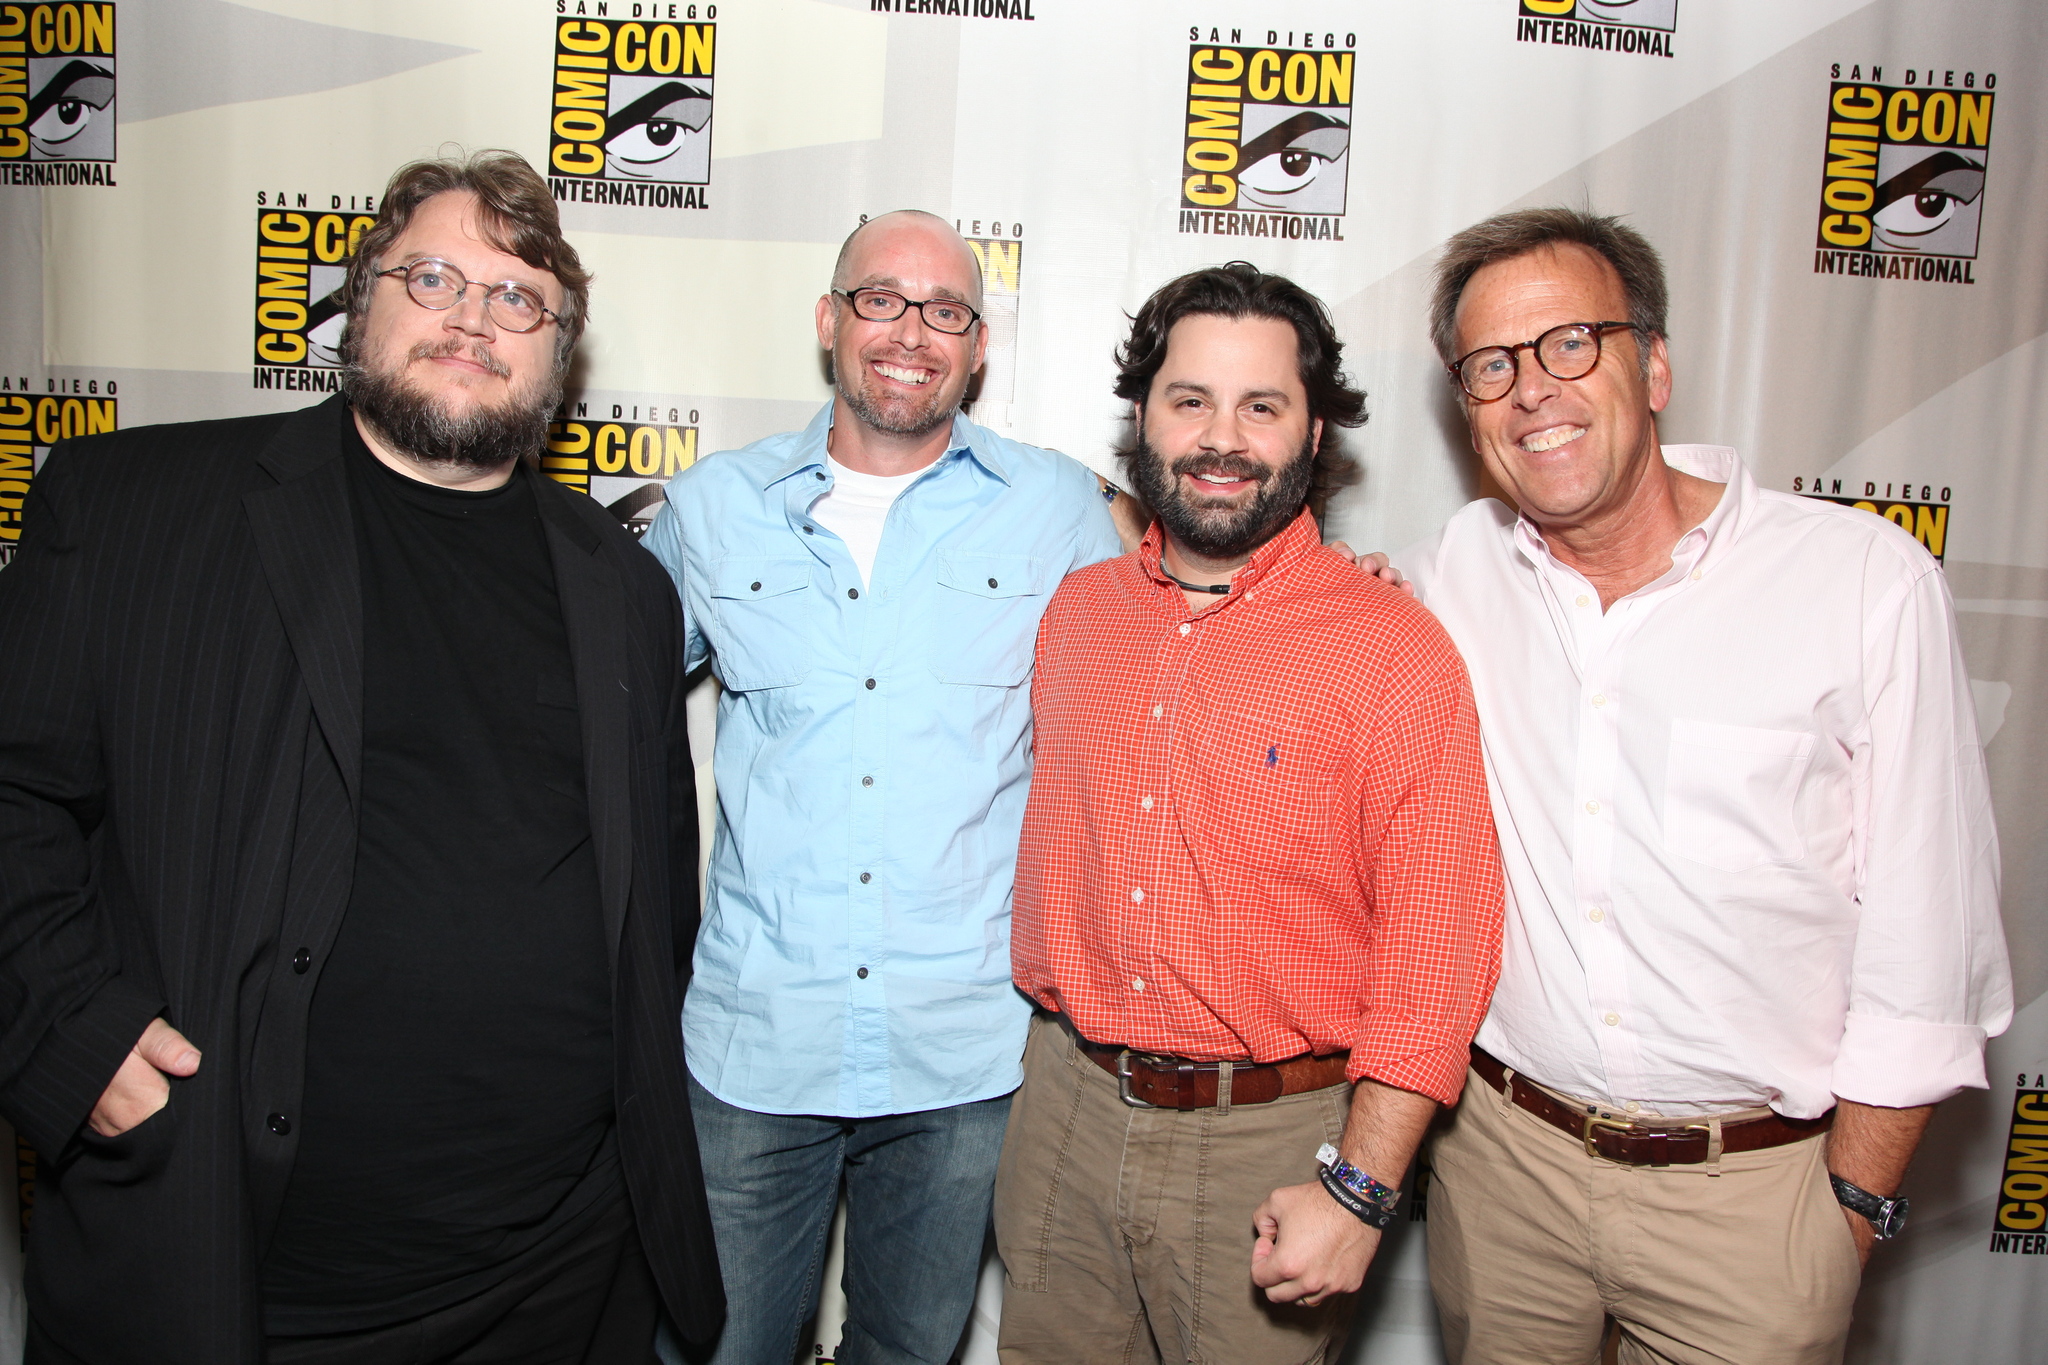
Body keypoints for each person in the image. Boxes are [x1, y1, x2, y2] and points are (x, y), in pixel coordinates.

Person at [0, 150, 723, 1365]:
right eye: (432, 277)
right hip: (237, 1266)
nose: (471, 319)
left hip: (555, 1273)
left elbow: (651, 901)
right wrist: (64, 1035)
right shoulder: (136, 503)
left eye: (517, 300)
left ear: (558, 353)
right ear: (357, 303)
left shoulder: (625, 591)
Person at [1399, 208, 2012, 1365]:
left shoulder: (1860, 582)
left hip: (1755, 1201)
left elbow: (1928, 944)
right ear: (1465, 406)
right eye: (1490, 366)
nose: (1532, 388)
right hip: (1501, 1177)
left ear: (1656, 365)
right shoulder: (1453, 574)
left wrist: (1845, 1215)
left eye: (1569, 343)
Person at [995, 262, 1506, 1365]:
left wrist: (1360, 1190)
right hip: (1062, 1110)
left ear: (1314, 432)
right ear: (1142, 416)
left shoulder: (1390, 648)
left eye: (1259, 406)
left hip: (1271, 1140)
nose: (1219, 438)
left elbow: (1437, 950)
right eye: (1189, 401)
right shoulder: (1077, 616)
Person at [641, 210, 1125, 1365]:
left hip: (959, 1047)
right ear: (829, 319)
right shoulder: (710, 508)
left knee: (909, 1355)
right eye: (880, 300)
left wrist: (1326, 592)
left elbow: (1167, 668)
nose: (912, 333)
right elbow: (594, 700)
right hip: (757, 1038)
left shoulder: (1057, 508)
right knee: (718, 1349)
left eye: (945, 310)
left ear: (976, 346)